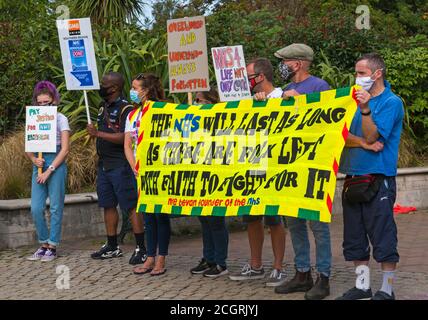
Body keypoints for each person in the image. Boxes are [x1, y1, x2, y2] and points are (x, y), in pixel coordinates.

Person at [336, 53, 404, 300]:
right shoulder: (349, 100)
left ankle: (387, 288)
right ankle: (362, 286)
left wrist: (365, 110)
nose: (358, 78)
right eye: (356, 73)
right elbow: (339, 135)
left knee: (383, 233)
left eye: (362, 73)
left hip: (378, 177)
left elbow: (374, 136)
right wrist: (362, 144)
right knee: (354, 235)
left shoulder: (391, 102)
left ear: (377, 74)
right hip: (352, 176)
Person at [272, 43, 332, 300]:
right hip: (289, 169)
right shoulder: (282, 90)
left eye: (284, 62)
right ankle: (302, 273)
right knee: (294, 223)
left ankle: (324, 277)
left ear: (297, 63)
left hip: (312, 168)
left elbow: (328, 120)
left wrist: (302, 103)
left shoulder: (321, 87)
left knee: (318, 227)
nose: (282, 67)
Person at [228, 58, 287, 287]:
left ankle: (278, 268)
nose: (246, 80)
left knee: (273, 218)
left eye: (249, 75)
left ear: (260, 77)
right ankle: (255, 265)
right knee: (251, 216)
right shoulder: (248, 101)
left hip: (274, 166)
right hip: (252, 162)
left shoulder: (283, 97)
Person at [88, 72, 147, 265]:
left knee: (131, 206)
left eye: (104, 83)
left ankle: (141, 247)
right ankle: (112, 245)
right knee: (108, 204)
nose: (101, 86)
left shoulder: (126, 108)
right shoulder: (102, 107)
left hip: (121, 165)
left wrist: (99, 134)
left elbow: (125, 137)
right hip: (104, 164)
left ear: (113, 88)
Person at [124, 73, 171, 276]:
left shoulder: (163, 110)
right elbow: (128, 144)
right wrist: (134, 166)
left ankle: (162, 258)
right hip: (140, 174)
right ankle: (150, 257)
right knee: (148, 216)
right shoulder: (132, 115)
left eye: (136, 88)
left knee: (161, 215)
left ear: (146, 90)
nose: (132, 92)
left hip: (159, 171)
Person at [26, 81, 70, 262]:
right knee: (35, 207)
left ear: (54, 101)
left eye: (47, 102)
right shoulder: (33, 118)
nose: (44, 106)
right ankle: (43, 243)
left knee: (55, 206)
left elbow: (65, 149)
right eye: (40, 103)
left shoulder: (61, 119)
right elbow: (28, 145)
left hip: (56, 162)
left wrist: (49, 170)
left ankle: (52, 245)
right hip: (39, 161)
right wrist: (34, 159)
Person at [189, 88, 230, 278]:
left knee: (215, 220)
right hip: (200, 174)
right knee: (204, 219)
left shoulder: (222, 120)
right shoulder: (195, 122)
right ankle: (209, 258)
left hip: (216, 176)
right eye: (195, 101)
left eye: (200, 101)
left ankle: (220, 262)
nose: (197, 104)